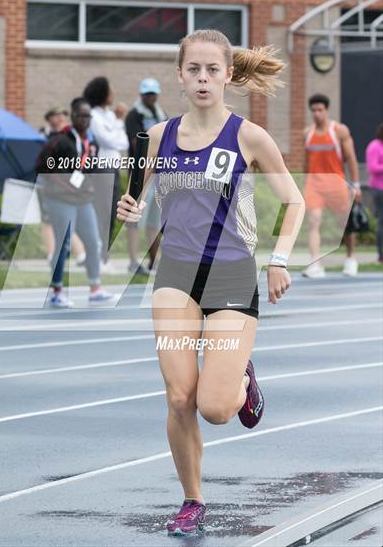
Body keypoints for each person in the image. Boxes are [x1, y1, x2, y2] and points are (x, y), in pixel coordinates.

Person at [117, 29, 305, 536]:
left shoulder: (249, 136)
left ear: (227, 76)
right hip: (176, 274)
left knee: (215, 408)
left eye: (212, 70)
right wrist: (129, 208)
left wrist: (280, 260)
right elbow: (135, 198)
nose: (202, 78)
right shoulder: (156, 138)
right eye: (193, 70)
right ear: (180, 75)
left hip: (231, 273)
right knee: (179, 397)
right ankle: (192, 500)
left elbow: (295, 201)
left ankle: (240, 376)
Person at [36, 97, 114, 308]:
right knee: (63, 245)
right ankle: (57, 290)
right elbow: (41, 165)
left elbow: (90, 169)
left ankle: (95, 287)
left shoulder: (92, 141)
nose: (85, 119)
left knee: (94, 242)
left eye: (89, 115)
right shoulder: (59, 140)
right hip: (60, 200)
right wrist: (64, 183)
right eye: (81, 115)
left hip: (83, 200)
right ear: (73, 116)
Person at [303, 94, 362, 278]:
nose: (316, 113)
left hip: (337, 185)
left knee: (345, 225)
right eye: (313, 110)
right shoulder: (307, 133)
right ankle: (315, 264)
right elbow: (306, 162)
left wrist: (356, 185)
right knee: (314, 221)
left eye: (320, 110)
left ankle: (351, 259)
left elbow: (351, 159)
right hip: (314, 184)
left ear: (326, 110)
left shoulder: (339, 131)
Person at [83, 76, 129, 274]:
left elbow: (123, 143)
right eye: (110, 90)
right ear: (102, 93)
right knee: (101, 213)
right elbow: (107, 141)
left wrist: (117, 124)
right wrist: (118, 123)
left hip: (114, 167)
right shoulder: (93, 116)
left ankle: (104, 256)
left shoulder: (110, 116)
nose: (113, 94)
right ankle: (98, 257)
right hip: (101, 168)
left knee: (111, 214)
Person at [125, 78, 168, 274]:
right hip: (140, 174)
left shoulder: (161, 114)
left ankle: (154, 260)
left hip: (158, 174)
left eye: (153, 94)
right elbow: (138, 144)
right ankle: (134, 261)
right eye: (147, 94)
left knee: (154, 221)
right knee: (133, 218)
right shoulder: (134, 115)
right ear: (141, 95)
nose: (151, 97)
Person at [38, 106, 87, 267]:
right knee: (48, 219)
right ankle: (52, 254)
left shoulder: (72, 136)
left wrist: (77, 183)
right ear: (49, 118)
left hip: (68, 183)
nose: (60, 118)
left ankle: (80, 254)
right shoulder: (42, 136)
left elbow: (79, 160)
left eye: (62, 116)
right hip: (48, 182)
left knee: (68, 219)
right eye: (56, 115)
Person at [366, 122, 383, 263]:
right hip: (379, 189)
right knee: (382, 221)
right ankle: (381, 254)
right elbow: (372, 167)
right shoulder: (375, 146)